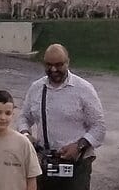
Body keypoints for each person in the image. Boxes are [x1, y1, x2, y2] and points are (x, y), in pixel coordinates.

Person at [16, 44, 105, 190]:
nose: (53, 69)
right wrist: (25, 135)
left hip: (77, 166)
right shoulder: (36, 88)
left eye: (58, 65)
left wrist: (78, 146)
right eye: (48, 65)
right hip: (44, 164)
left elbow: (99, 127)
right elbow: (24, 117)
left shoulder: (84, 89)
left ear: (68, 62)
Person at [0, 90, 41, 190]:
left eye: (7, 113)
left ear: (13, 114)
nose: (3, 117)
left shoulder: (23, 143)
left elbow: (32, 179)